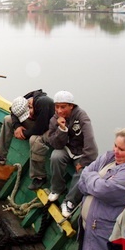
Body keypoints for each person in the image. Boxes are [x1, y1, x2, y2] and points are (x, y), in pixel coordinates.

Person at [0, 89, 54, 189]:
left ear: (31, 105)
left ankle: (39, 176)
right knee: (8, 119)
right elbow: (13, 111)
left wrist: (24, 134)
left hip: (48, 128)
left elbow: (40, 128)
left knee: (34, 140)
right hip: (37, 124)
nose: (29, 115)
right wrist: (17, 126)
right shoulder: (27, 98)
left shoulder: (44, 103)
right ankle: (0, 156)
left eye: (29, 111)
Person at [47, 90, 98, 219]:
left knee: (84, 172)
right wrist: (62, 129)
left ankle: (70, 201)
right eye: (57, 106)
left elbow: (89, 140)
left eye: (63, 107)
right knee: (55, 156)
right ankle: (57, 188)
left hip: (81, 153)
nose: (59, 110)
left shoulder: (81, 116)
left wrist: (84, 161)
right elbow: (55, 143)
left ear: (71, 106)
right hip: (66, 149)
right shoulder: (54, 119)